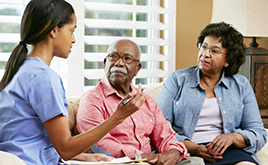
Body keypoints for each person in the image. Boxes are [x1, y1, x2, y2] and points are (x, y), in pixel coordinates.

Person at [0, 1, 146, 165]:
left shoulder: (19, 70)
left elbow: (28, 137)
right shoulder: (43, 77)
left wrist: (82, 156)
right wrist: (118, 117)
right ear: (54, 30)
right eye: (72, 31)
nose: (74, 39)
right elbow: (66, 148)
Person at [156, 22, 267, 165]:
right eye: (204, 46)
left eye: (214, 51)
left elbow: (258, 133)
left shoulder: (241, 85)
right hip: (186, 151)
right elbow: (159, 127)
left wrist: (232, 137)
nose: (205, 54)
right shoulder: (177, 79)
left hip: (229, 151)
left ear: (228, 60)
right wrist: (194, 148)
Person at [76, 39, 194, 165]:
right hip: (116, 161)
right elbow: (99, 142)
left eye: (127, 58)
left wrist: (174, 152)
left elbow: (165, 135)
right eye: (113, 57)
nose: (119, 63)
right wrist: (139, 156)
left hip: (149, 159)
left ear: (137, 68)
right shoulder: (91, 100)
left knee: (195, 162)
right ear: (105, 62)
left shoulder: (146, 101)